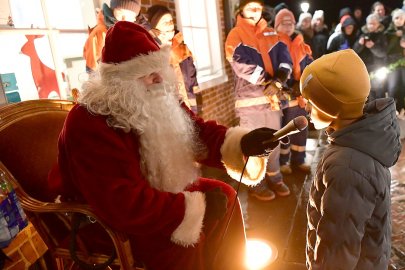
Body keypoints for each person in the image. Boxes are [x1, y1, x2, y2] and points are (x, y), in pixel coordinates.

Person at [48, 21, 284, 270]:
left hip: (156, 193)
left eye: (160, 69)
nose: (160, 78)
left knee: (226, 195)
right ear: (121, 82)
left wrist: (243, 143)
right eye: (150, 74)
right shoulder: (89, 121)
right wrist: (190, 209)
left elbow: (196, 133)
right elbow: (122, 203)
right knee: (183, 243)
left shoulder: (153, 93)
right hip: (104, 219)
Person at [301, 49, 402, 270]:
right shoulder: (356, 141)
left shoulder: (347, 167)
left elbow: (336, 256)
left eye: (310, 101)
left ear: (331, 107)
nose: (305, 107)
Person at [225, 0, 292, 205]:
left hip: (271, 102)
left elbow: (285, 60)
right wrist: (268, 82)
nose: (255, 10)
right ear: (241, 9)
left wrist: (278, 81)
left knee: (273, 141)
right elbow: (240, 64)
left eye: (258, 6)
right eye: (250, 6)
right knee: (254, 146)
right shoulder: (235, 35)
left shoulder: (272, 33)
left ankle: (275, 178)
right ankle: (256, 184)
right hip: (250, 103)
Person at [274, 9, 313, 174]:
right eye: (284, 23)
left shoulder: (303, 45)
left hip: (300, 96)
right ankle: (283, 161)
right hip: (283, 96)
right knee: (285, 130)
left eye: (290, 23)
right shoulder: (274, 44)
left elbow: (310, 67)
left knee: (301, 130)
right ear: (277, 26)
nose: (288, 26)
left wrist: (303, 83)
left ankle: (299, 160)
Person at [147, 5, 199, 112]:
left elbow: (192, 78)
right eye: (165, 21)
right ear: (154, 26)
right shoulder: (151, 52)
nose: (170, 23)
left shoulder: (182, 47)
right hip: (168, 112)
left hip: (190, 107)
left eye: (171, 20)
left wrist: (197, 103)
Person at [83, 0, 149, 73]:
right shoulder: (100, 33)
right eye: (120, 12)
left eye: (130, 15)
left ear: (135, 18)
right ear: (112, 9)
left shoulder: (136, 32)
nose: (124, 18)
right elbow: (92, 69)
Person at [353, 13, 387, 101]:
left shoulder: (382, 36)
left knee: (378, 92)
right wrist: (359, 44)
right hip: (364, 68)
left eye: (374, 23)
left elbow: (383, 53)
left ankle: (379, 113)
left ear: (378, 24)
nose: (371, 26)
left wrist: (373, 46)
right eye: (369, 23)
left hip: (377, 68)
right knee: (365, 93)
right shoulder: (362, 35)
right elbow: (354, 52)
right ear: (366, 24)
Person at [384, 8, 405, 113]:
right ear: (393, 19)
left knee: (403, 86)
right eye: (396, 18)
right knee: (392, 86)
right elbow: (387, 50)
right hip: (392, 63)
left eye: (401, 17)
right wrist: (396, 37)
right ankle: (391, 109)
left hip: (404, 63)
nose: (399, 20)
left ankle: (401, 108)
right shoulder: (388, 32)